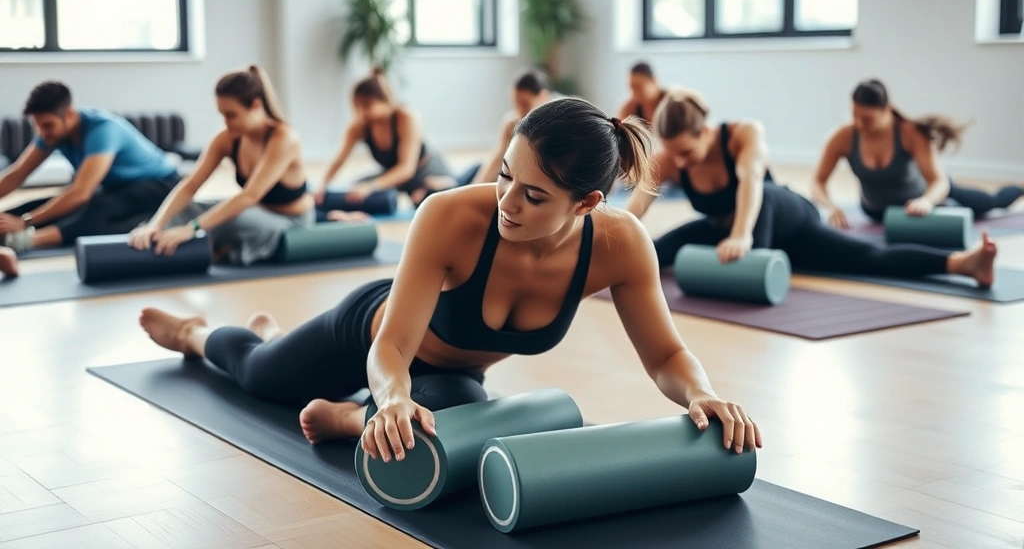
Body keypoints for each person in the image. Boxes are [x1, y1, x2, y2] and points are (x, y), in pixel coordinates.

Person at [138, 97, 763, 463]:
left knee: (458, 419)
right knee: (259, 377)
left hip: (450, 377)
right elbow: (392, 349)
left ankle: (345, 418)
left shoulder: (621, 245)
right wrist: (389, 395)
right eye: (506, 176)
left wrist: (700, 394)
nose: (507, 202)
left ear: (585, 203)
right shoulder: (448, 215)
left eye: (534, 194)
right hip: (377, 334)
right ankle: (199, 334)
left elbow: (666, 353)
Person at [625, 88, 998, 287]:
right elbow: (635, 209)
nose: (682, 163)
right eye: (675, 155)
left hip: (786, 218)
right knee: (657, 250)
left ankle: (961, 263)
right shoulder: (669, 159)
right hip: (732, 234)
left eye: (688, 152)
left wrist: (742, 235)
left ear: (704, 132)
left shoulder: (742, 133)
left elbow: (752, 181)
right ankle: (755, 254)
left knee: (867, 259)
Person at [127, 65, 314, 266]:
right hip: (253, 211)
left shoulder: (284, 138)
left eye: (232, 115)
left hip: (289, 223)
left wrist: (193, 228)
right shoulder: (226, 139)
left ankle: (197, 247)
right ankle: (146, 241)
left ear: (256, 105)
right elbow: (190, 185)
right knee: (184, 209)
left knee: (232, 219)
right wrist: (156, 223)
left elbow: (250, 195)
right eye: (222, 114)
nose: (226, 122)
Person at [0, 81, 181, 263]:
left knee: (95, 207)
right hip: (117, 188)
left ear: (69, 115)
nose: (42, 133)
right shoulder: (51, 133)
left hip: (161, 185)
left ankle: (29, 240)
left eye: (47, 126)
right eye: (37, 126)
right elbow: (17, 174)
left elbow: (80, 194)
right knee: (47, 203)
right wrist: (21, 217)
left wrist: (26, 222)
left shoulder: (102, 129)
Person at [813, 78, 1023, 228]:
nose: (859, 124)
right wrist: (830, 207)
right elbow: (818, 180)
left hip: (924, 202)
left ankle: (1020, 188)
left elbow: (939, 181)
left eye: (867, 119)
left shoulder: (909, 133)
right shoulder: (842, 136)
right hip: (875, 211)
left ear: (887, 110)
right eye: (854, 115)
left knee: (990, 203)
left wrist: (926, 202)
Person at [316, 68, 457, 210]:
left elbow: (406, 169)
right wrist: (322, 184)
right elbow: (338, 159)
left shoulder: (406, 118)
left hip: (425, 172)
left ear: (385, 101)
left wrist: (371, 186)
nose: (361, 112)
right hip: (394, 176)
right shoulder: (359, 126)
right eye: (357, 107)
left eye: (367, 106)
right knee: (355, 189)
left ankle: (450, 182)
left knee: (429, 203)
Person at [470, 68, 556, 185]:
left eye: (525, 104)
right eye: (516, 104)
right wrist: (475, 187)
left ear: (543, 97)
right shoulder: (511, 122)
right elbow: (496, 158)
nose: (520, 111)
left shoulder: (557, 122)